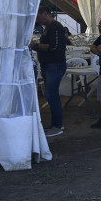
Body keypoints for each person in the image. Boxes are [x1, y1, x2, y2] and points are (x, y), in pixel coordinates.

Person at [30, 8, 67, 137]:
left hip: (55, 65)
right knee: (51, 95)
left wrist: (34, 45)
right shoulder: (49, 28)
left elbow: (55, 47)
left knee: (52, 95)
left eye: (39, 18)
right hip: (49, 65)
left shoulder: (56, 27)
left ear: (46, 14)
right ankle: (56, 124)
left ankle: (57, 126)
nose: (38, 21)